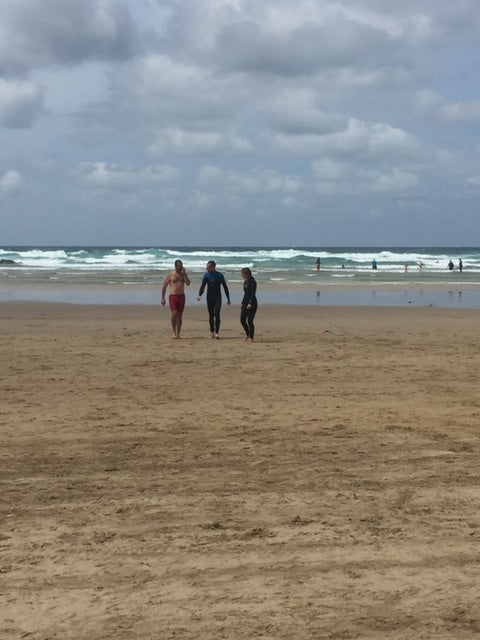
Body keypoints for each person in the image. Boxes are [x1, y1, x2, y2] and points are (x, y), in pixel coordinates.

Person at [197, 260, 231, 338]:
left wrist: (228, 298)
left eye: (208, 267)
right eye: (207, 267)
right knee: (211, 315)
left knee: (217, 313)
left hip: (217, 297)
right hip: (209, 297)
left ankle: (217, 333)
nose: (206, 268)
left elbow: (225, 287)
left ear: (213, 267)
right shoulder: (206, 275)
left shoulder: (219, 275)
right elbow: (203, 286)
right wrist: (199, 295)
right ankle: (212, 332)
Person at [161, 259, 190, 339]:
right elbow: (164, 286)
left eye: (182, 265)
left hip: (181, 296)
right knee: (174, 314)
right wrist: (163, 298)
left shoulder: (183, 275)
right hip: (173, 296)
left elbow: (188, 283)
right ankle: (173, 331)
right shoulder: (171, 275)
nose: (181, 267)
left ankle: (178, 333)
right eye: (179, 265)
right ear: (176, 266)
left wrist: (184, 275)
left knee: (180, 316)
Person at [240, 267, 257, 343]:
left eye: (242, 274)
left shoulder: (252, 282)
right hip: (245, 302)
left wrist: (250, 303)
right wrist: (242, 303)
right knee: (242, 320)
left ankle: (251, 337)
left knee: (249, 320)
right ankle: (247, 335)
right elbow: (245, 294)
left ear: (246, 274)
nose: (242, 275)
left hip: (252, 303)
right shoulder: (245, 282)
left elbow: (253, 294)